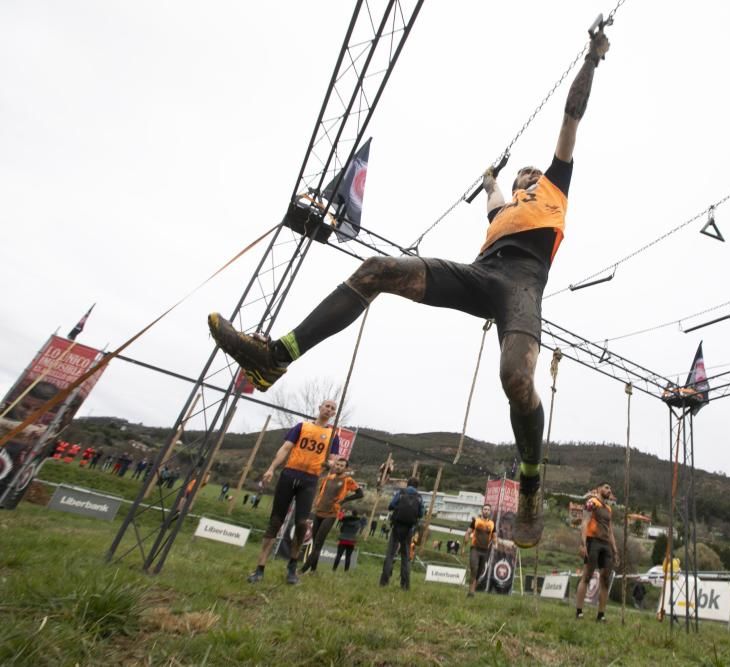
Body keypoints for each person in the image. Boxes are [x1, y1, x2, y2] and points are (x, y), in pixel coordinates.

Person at [207, 30, 612, 550]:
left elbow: (571, 118)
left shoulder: (555, 184)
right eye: (519, 177)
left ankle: (531, 481)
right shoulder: (504, 208)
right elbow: (492, 193)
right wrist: (492, 178)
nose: (526, 176)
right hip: (480, 275)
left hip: (523, 289)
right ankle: (275, 356)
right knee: (377, 269)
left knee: (514, 375)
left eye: (529, 172)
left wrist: (592, 60)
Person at [246, 399, 340, 585]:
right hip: (289, 475)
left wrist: (329, 465)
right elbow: (286, 448)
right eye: (327, 406)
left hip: (310, 480)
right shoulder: (302, 426)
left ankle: (292, 567)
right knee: (276, 520)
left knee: (302, 523)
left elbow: (333, 460)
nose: (329, 409)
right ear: (320, 407)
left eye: (333, 408)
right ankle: (259, 568)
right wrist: (272, 468)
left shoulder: (333, 435)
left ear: (334, 414)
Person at [301, 456, 363, 574]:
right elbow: (321, 492)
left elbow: (360, 493)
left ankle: (303, 569)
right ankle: (313, 570)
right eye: (337, 465)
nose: (339, 467)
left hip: (331, 513)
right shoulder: (328, 477)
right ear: (335, 465)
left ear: (346, 468)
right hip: (319, 511)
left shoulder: (348, 480)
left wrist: (344, 500)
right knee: (314, 542)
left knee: (318, 543)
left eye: (341, 466)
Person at [574, 483, 618, 622]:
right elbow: (585, 522)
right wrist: (582, 543)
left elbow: (610, 531)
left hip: (606, 544)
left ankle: (601, 614)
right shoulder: (592, 502)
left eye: (610, 488)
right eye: (606, 487)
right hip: (593, 541)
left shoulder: (609, 509)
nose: (609, 490)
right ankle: (579, 611)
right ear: (599, 489)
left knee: (605, 579)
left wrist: (615, 550)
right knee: (587, 575)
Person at [379, 477, 424, 590]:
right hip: (409, 529)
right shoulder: (419, 497)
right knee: (406, 556)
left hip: (397, 526)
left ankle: (384, 581)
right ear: (417, 486)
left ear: (407, 484)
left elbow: (391, 505)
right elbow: (421, 514)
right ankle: (405, 585)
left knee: (390, 553)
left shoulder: (400, 493)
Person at [463, 503, 496, 597]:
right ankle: (471, 592)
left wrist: (496, 543)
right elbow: (468, 532)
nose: (486, 511)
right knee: (474, 569)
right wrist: (465, 540)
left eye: (488, 510)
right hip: (475, 549)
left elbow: (494, 536)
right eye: (485, 509)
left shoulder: (492, 524)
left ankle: (472, 590)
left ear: (490, 512)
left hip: (485, 551)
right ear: (482, 511)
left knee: (479, 572)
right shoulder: (475, 521)